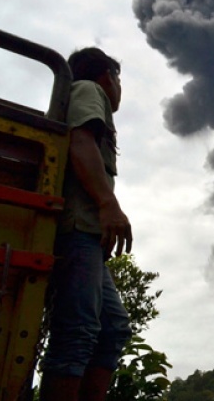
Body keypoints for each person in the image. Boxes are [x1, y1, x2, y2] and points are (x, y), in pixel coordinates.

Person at [40, 47, 133, 401]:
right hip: (77, 226)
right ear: (107, 76)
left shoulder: (85, 96)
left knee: (112, 328)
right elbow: (80, 141)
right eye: (119, 78)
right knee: (78, 330)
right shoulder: (88, 91)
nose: (120, 87)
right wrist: (108, 204)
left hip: (88, 233)